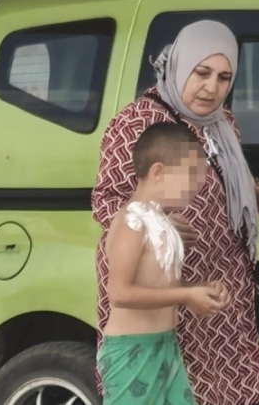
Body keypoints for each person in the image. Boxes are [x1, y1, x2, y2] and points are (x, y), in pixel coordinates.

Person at [92, 19, 259, 405]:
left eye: (223, 77)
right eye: (201, 73)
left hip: (221, 291)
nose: (211, 87)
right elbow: (106, 200)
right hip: (161, 300)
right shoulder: (137, 122)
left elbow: (228, 176)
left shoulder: (223, 121)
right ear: (180, 65)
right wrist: (158, 223)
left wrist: (257, 195)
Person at [97, 121, 232, 405]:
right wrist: (186, 296)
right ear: (158, 172)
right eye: (191, 176)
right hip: (132, 351)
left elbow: (160, 285)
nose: (198, 185)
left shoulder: (160, 221)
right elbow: (119, 293)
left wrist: (198, 290)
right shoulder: (131, 222)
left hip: (166, 344)